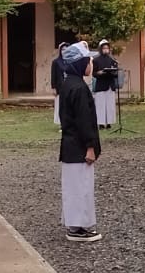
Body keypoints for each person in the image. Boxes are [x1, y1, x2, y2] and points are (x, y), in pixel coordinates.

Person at [56, 42, 101, 242]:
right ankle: (78, 228)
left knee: (73, 187)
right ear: (80, 63)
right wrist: (90, 146)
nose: (91, 63)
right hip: (79, 147)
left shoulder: (68, 84)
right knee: (81, 187)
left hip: (70, 145)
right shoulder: (79, 88)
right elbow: (84, 120)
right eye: (88, 60)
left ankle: (74, 224)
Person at [91, 40, 119, 127]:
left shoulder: (112, 60)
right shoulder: (96, 60)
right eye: (104, 48)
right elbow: (94, 73)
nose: (106, 50)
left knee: (110, 105)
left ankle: (109, 122)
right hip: (101, 84)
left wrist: (113, 72)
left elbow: (116, 73)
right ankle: (101, 123)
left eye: (107, 48)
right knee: (100, 105)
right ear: (100, 49)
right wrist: (99, 73)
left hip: (110, 84)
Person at [49, 42, 69, 127]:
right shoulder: (56, 62)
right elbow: (53, 75)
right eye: (63, 49)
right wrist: (53, 87)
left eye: (66, 50)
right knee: (60, 106)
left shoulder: (71, 61)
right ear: (60, 51)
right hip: (60, 87)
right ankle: (61, 123)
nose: (64, 51)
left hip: (69, 86)